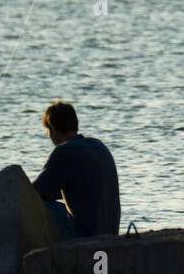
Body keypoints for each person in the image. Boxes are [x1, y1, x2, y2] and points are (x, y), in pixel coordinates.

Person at [32, 101, 120, 239]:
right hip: (110, 230)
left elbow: (33, 193)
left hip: (85, 235)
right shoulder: (99, 146)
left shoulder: (64, 151)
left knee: (34, 204)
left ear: (53, 130)